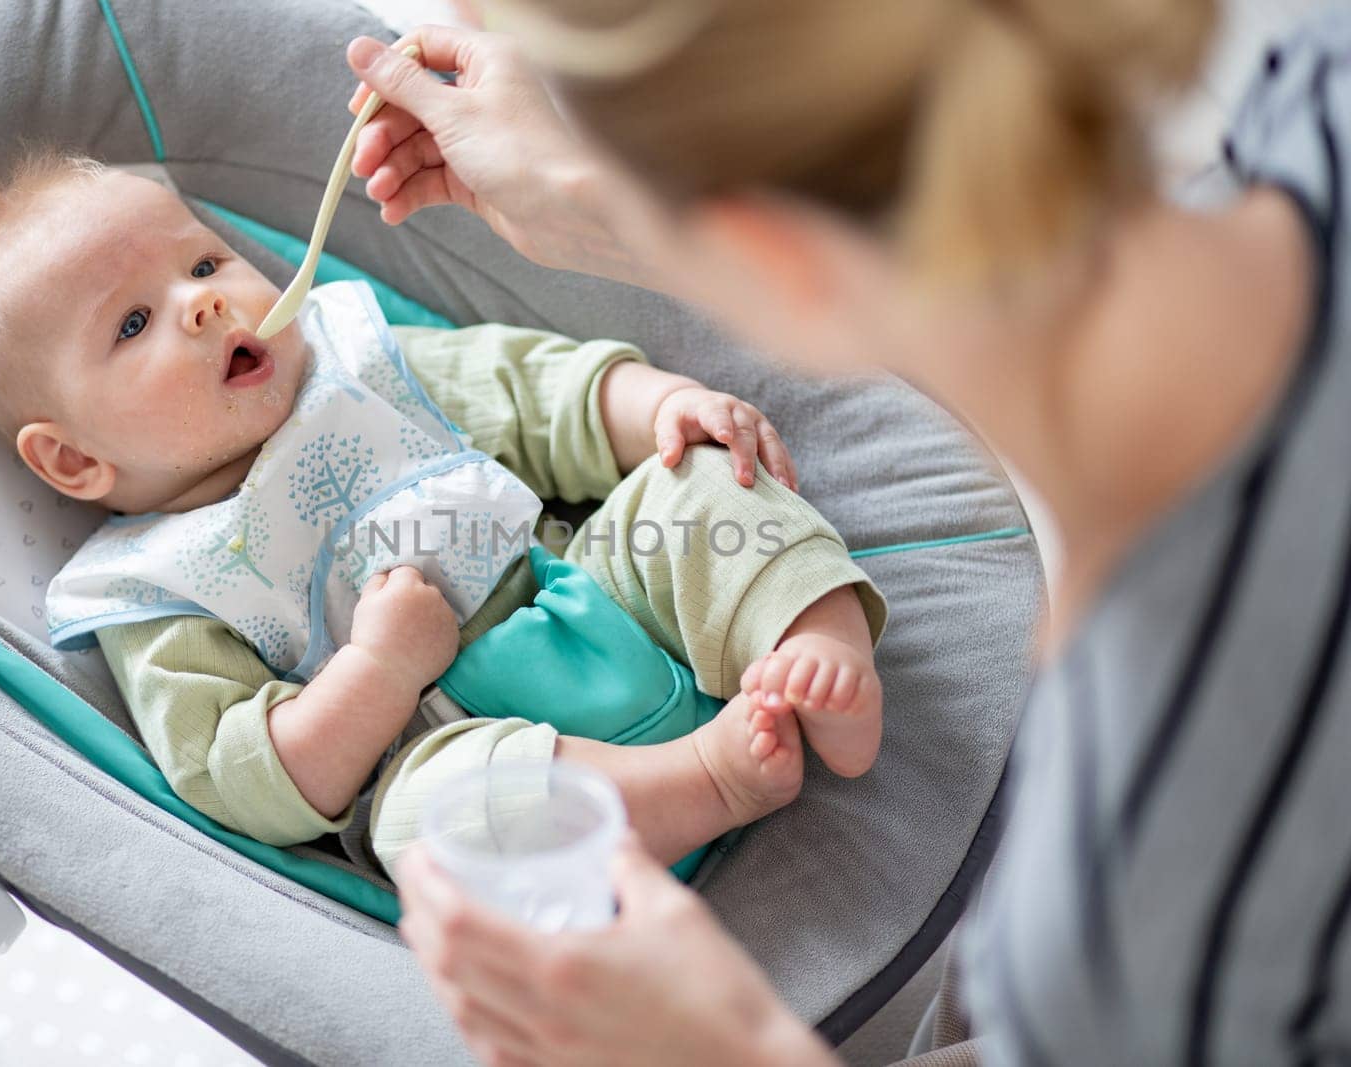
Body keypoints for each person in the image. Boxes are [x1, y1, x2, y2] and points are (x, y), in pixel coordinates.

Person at [353, 1, 1351, 1063]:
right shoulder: (1319, 83)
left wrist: (731, 1048)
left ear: (769, 253)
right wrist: (609, 203)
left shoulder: (1137, 920)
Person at [0, 154, 888, 878]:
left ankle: (812, 640)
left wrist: (661, 406)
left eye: (203, 261)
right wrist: (381, 668)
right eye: (133, 323)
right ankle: (704, 783)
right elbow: (244, 778)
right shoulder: (154, 588)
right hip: (454, 739)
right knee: (422, 820)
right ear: (71, 458)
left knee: (696, 482)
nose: (203, 304)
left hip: (594, 588)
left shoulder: (359, 365)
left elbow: (534, 390)